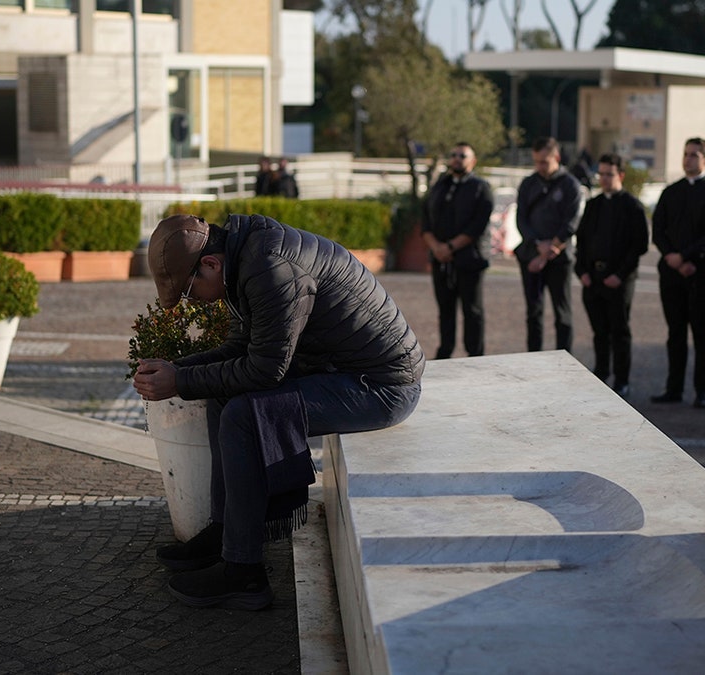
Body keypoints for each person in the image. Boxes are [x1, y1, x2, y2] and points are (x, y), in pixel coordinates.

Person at [132, 213, 425, 609]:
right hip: (343, 372)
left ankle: (244, 574)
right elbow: (242, 352)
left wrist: (179, 382)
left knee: (243, 417)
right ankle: (226, 532)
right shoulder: (244, 257)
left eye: (189, 291)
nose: (195, 301)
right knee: (224, 398)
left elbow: (265, 370)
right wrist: (179, 369)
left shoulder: (270, 267)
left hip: (381, 387)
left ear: (210, 264)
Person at [650, 137, 705, 408]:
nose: (688, 159)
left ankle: (702, 390)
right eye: (685, 154)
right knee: (675, 331)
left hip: (702, 271)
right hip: (671, 271)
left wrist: (685, 257)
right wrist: (672, 257)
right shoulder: (671, 192)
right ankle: (674, 388)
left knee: (702, 330)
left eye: (694, 155)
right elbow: (658, 230)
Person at [573, 153, 650, 398]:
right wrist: (582, 272)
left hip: (619, 280)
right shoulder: (593, 205)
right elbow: (581, 241)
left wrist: (620, 275)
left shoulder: (632, 207)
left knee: (619, 330)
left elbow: (639, 245)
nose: (604, 179)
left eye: (609, 174)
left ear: (621, 175)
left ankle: (622, 379)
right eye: (601, 174)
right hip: (592, 279)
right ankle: (601, 373)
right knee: (599, 331)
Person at [420, 142, 494, 359]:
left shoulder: (481, 187)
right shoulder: (439, 185)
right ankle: (445, 353)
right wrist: (437, 248)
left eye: (462, 155)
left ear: (473, 161)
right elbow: (425, 220)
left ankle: (475, 356)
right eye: (453, 155)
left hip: (469, 260)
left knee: (472, 311)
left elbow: (477, 226)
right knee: (445, 310)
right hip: (440, 259)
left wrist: (451, 246)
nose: (457, 159)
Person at [515, 136, 583, 352]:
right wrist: (536, 244)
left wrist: (549, 250)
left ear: (557, 158)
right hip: (531, 254)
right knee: (533, 312)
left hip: (559, 257)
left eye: (544, 161)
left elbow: (571, 223)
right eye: (536, 161)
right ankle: (533, 359)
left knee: (562, 313)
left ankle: (566, 359)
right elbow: (521, 220)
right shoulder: (528, 183)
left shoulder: (570, 184)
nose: (540, 166)